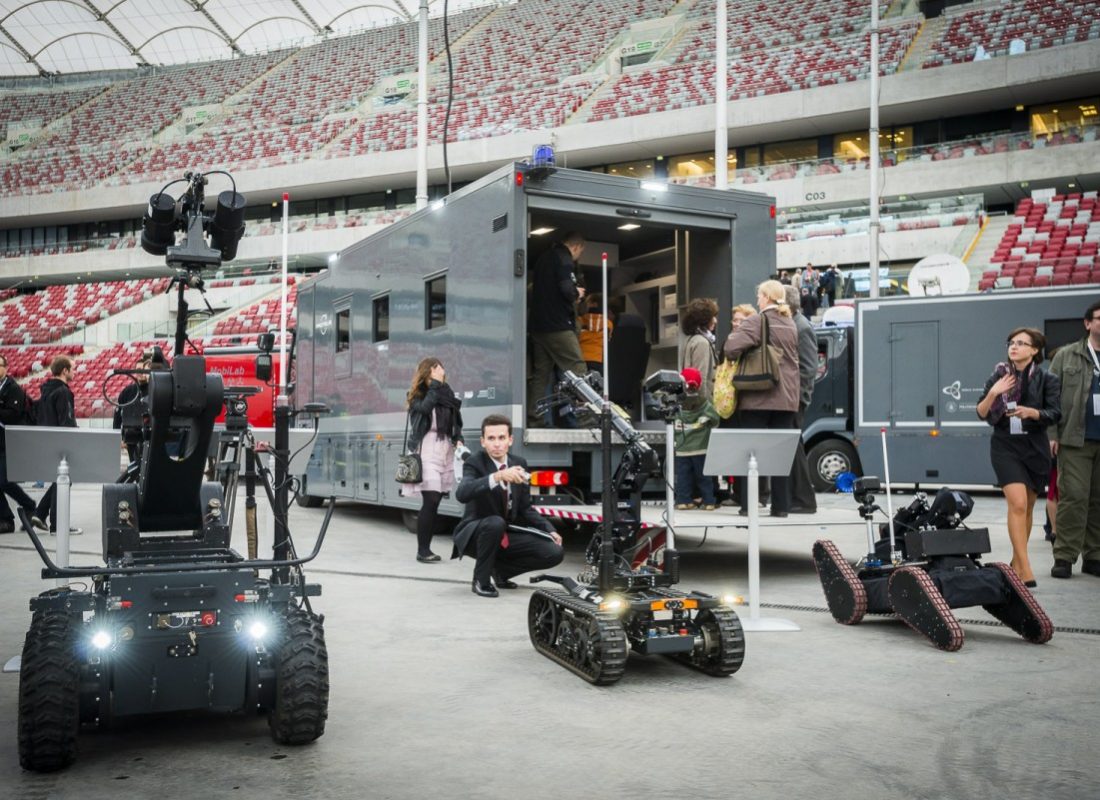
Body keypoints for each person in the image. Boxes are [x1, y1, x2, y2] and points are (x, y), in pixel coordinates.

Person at [976, 327, 1061, 587]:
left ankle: (1016, 562)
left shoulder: (1047, 379)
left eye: (1021, 343)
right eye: (1011, 342)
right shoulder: (999, 375)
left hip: (1035, 446)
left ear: (1034, 350)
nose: (1014, 347)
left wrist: (1033, 413)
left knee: (1028, 507)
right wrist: (994, 392)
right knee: (1018, 504)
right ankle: (1025, 570)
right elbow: (981, 413)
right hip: (1005, 445)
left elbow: (1055, 413)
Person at [453, 414, 563, 597]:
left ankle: (502, 572)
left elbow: (525, 508)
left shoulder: (519, 463)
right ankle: (481, 580)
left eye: (502, 438)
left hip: (505, 531)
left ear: (510, 440)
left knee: (554, 551)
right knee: (495, 523)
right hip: (476, 532)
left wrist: (549, 528)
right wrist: (498, 477)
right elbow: (462, 494)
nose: (497, 444)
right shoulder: (474, 462)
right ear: (483, 442)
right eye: (491, 438)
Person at [723, 279, 800, 517]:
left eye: (759, 296)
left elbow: (730, 348)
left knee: (751, 452)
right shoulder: (790, 323)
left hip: (759, 394)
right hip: (787, 398)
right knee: (779, 455)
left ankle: (749, 504)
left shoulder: (758, 320)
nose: (757, 300)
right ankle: (781, 507)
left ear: (766, 297)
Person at [1049, 300, 1100, 579]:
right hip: (1075, 439)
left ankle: (1094, 556)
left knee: (1098, 500)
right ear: (1088, 323)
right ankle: (1065, 556)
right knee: (1074, 497)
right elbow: (1051, 398)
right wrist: (1052, 434)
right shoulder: (1067, 356)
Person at [402, 357, 464, 563]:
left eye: (441, 370)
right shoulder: (417, 396)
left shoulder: (447, 395)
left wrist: (459, 440)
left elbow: (456, 421)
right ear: (426, 374)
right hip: (426, 447)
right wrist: (435, 385)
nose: (440, 373)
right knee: (431, 499)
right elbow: (425, 408)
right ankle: (423, 550)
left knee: (436, 500)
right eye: (434, 371)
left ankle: (425, 549)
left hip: (445, 447)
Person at [527, 232, 587, 427]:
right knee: (578, 369)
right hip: (558, 326)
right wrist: (576, 292)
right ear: (576, 247)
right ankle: (587, 418)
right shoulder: (564, 258)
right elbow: (566, 289)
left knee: (541, 374)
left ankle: (535, 418)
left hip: (538, 327)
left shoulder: (543, 258)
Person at [31, 356, 79, 534]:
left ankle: (40, 513)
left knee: (59, 480)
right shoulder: (63, 392)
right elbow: (66, 421)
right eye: (72, 368)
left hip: (46, 440)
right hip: (61, 442)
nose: (74, 372)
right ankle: (58, 525)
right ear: (65, 370)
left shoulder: (46, 391)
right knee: (64, 480)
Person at [784, 285, 818, 513]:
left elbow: (808, 369)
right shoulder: (795, 325)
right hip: (791, 398)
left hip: (794, 400)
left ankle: (804, 500)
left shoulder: (801, 327)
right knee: (790, 447)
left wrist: (798, 399)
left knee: (794, 448)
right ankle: (796, 499)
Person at [0, 353, 37, 534]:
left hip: (9, 441)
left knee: (4, 481)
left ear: (6, 368)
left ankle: (28, 504)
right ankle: (5, 518)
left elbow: (13, 414)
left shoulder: (12, 388)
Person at [673, 367, 720, 510]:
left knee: (683, 477)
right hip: (701, 448)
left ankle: (683, 501)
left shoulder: (677, 404)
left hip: (682, 448)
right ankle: (709, 502)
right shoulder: (704, 403)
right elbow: (715, 419)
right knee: (704, 477)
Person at [112, 355, 151, 465]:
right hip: (131, 437)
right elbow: (117, 416)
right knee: (134, 464)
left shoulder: (154, 389)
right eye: (137, 369)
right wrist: (118, 437)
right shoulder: (127, 391)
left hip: (149, 437)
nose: (140, 372)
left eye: (143, 370)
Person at [681, 297, 719, 401]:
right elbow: (700, 380)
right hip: (704, 408)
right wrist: (705, 408)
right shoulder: (702, 342)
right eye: (713, 316)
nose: (715, 320)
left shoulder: (691, 340)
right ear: (704, 319)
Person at [578, 293, 613, 373]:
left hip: (581, 358)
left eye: (587, 303)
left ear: (594, 304)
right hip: (598, 359)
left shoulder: (579, 320)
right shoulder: (608, 323)